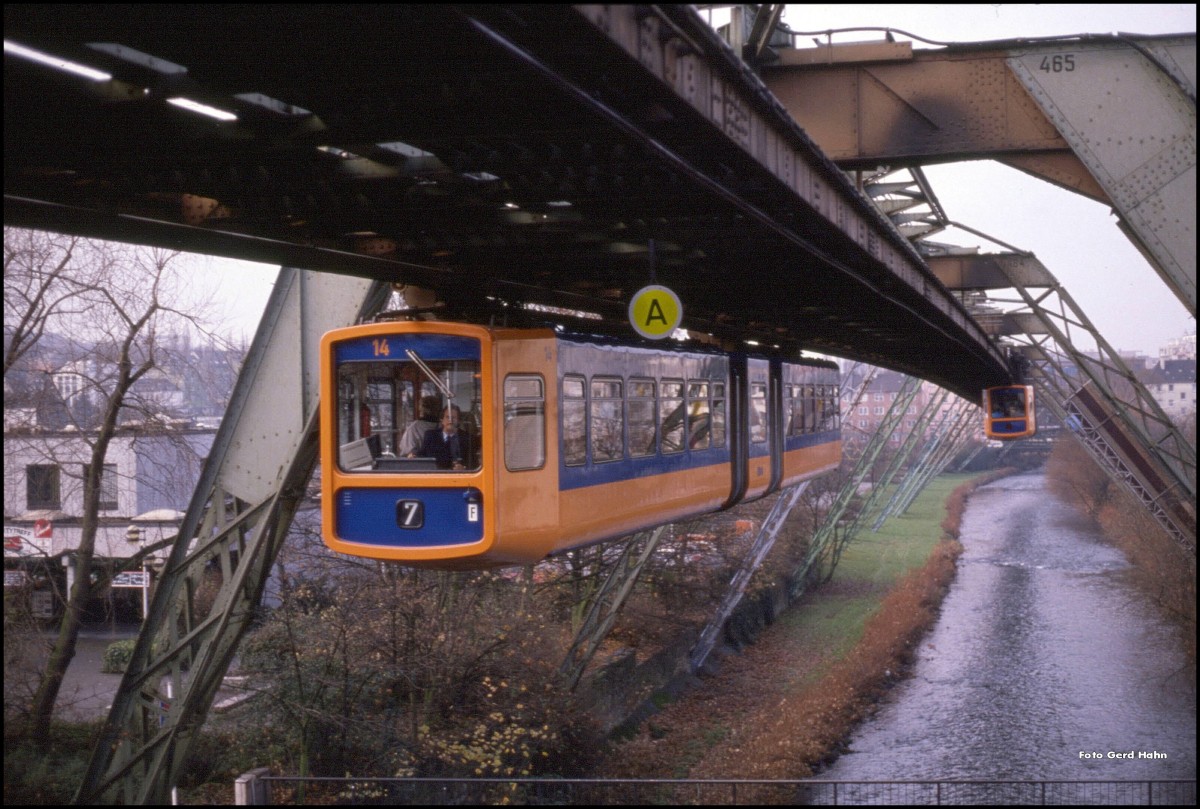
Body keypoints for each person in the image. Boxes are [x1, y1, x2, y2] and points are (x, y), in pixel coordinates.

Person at [411, 405, 467, 470]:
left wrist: (464, 468)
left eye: (454, 417)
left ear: (459, 421)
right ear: (442, 420)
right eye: (447, 417)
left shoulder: (467, 438)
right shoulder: (430, 436)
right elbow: (422, 456)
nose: (450, 420)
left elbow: (474, 463)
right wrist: (413, 456)